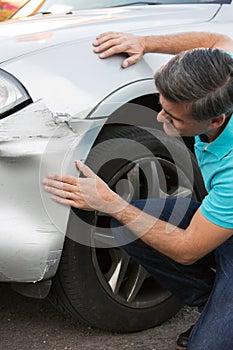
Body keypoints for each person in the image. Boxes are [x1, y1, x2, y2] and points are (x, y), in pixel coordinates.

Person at [42, 31, 233, 350]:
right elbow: (217, 40)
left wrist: (111, 202)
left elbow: (187, 249)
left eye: (173, 117)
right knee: (133, 222)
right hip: (223, 221)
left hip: (217, 228)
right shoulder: (225, 75)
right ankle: (215, 303)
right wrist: (146, 43)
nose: (160, 118)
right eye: (162, 106)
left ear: (216, 120)